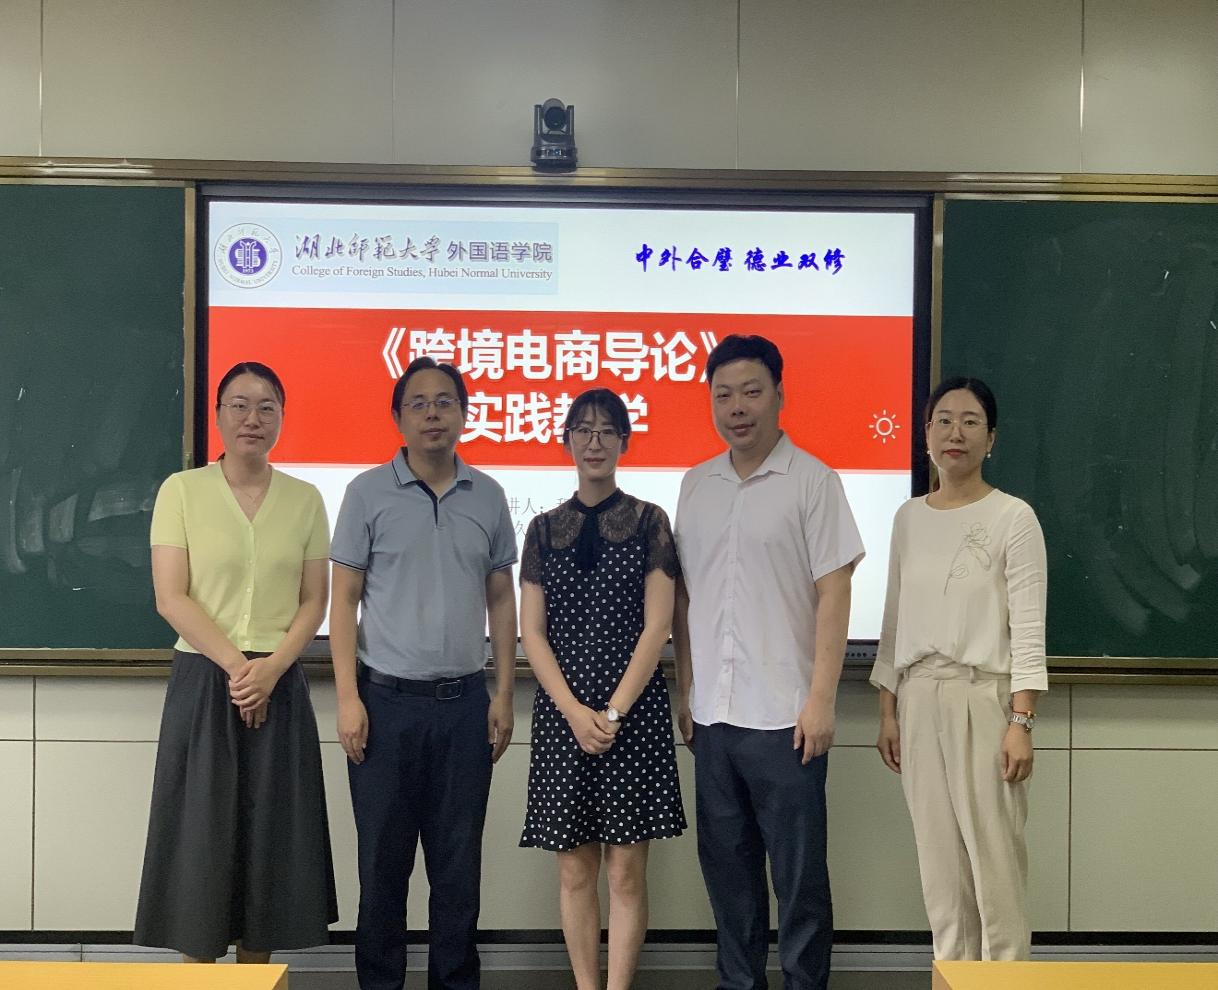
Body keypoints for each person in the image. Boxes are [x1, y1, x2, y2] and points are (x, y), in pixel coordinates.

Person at [672, 334, 863, 990]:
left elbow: (834, 592)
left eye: (751, 392)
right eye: (723, 394)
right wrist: (686, 689)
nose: (737, 407)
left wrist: (822, 699)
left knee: (799, 884)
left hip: (787, 719)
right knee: (729, 882)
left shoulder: (813, 481)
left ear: (779, 395)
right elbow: (686, 597)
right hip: (713, 719)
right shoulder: (695, 485)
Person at [135, 361, 337, 963]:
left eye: (267, 407)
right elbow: (171, 596)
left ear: (282, 417)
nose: (253, 418)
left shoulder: (305, 500)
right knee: (201, 841)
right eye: (240, 405)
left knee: (271, 840)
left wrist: (269, 670)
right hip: (205, 681)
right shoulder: (181, 491)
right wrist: (239, 669)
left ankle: (255, 975)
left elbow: (314, 600)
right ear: (218, 415)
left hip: (280, 682)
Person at [329, 357, 517, 990]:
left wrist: (503, 693)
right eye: (419, 403)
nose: (433, 413)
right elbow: (343, 600)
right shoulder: (366, 493)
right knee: (382, 870)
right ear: (398, 417)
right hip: (384, 706)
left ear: (463, 414)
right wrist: (348, 698)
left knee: (458, 872)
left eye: (445, 402)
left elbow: (501, 598)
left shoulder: (488, 495)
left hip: (464, 707)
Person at [871, 376, 1047, 961]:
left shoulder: (1013, 517)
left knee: (995, 869)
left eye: (971, 422)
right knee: (940, 872)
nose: (956, 433)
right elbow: (895, 620)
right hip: (917, 699)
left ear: (990, 439)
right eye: (943, 420)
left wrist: (1021, 721)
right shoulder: (908, 518)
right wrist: (888, 710)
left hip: (984, 700)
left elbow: (1028, 630)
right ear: (925, 434)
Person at [519, 388, 686, 990]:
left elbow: (658, 625)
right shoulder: (542, 529)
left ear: (624, 441)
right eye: (583, 430)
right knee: (574, 871)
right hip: (564, 717)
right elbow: (531, 633)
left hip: (632, 717)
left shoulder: (649, 521)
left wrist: (612, 712)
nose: (594, 442)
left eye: (607, 430)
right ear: (566, 439)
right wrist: (574, 711)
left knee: (626, 874)